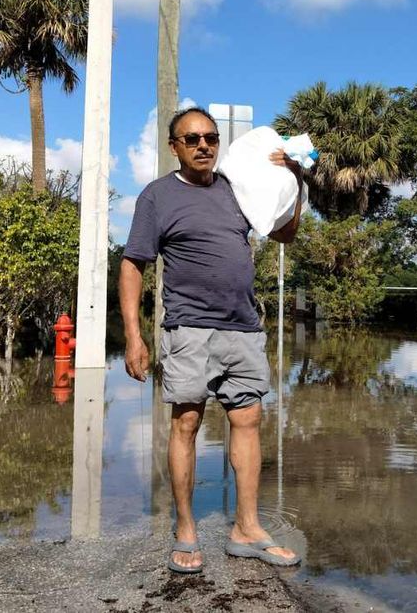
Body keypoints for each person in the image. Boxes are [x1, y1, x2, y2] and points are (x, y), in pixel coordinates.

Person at [119, 106, 303, 574]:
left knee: (248, 422)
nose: (204, 145)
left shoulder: (236, 188)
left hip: (242, 327)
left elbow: (285, 232)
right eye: (192, 138)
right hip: (188, 330)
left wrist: (296, 182)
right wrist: (133, 336)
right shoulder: (157, 196)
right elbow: (133, 264)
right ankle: (185, 529)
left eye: (211, 137)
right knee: (186, 424)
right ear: (174, 146)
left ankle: (246, 528)